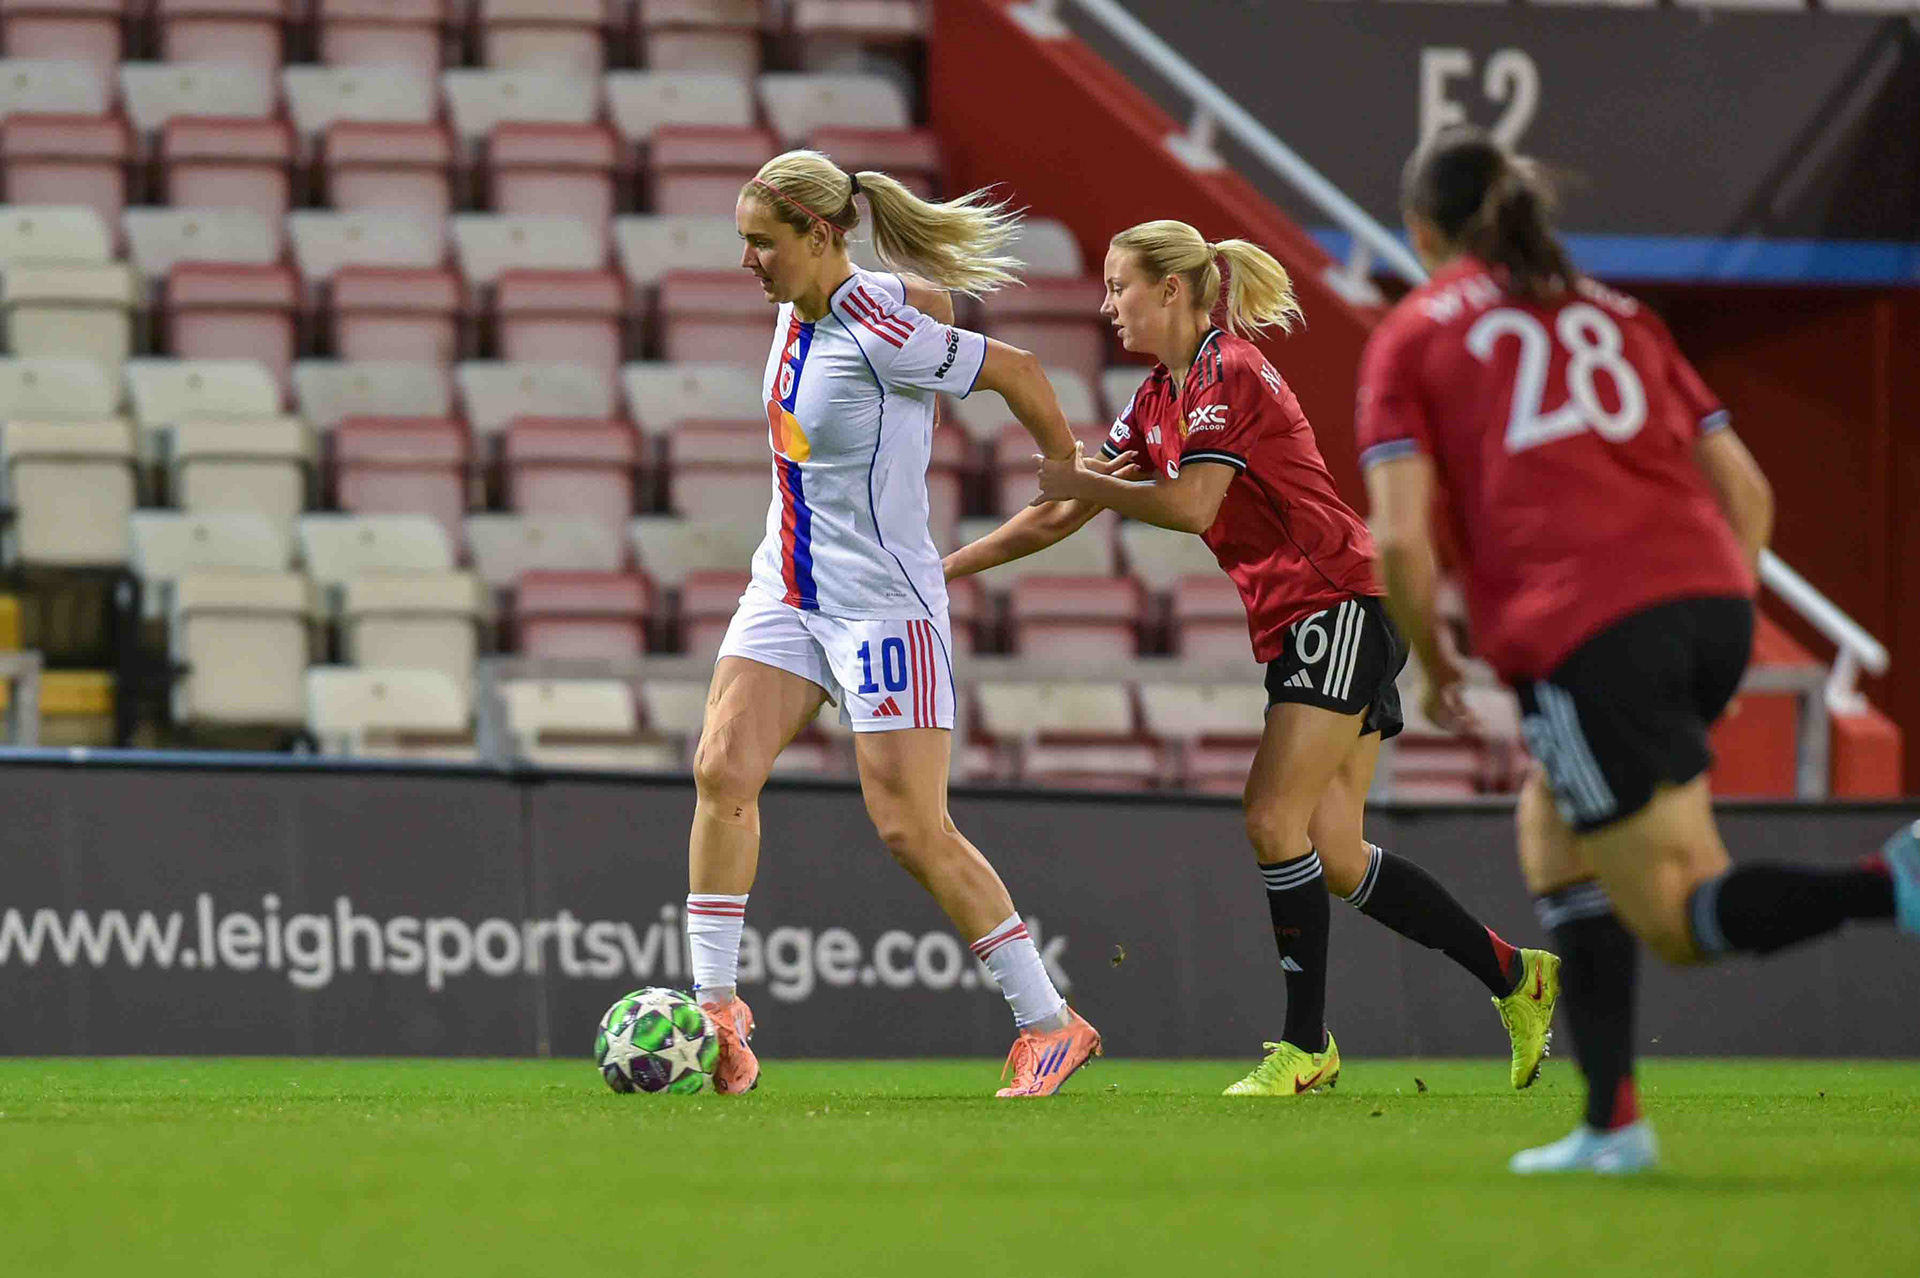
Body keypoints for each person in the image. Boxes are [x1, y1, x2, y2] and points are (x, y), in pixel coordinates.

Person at [1360, 125, 1920, 1173]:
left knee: (1676, 916)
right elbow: (1747, 491)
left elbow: (1397, 539)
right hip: (1711, 607)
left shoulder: (1415, 333)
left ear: (1421, 230)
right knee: (1552, 828)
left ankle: (1894, 883)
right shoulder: (1621, 315)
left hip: (1588, 627)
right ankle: (1610, 1124)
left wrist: (1434, 669)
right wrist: (1705, 620)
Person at [944, 218, 1559, 1098]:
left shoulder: (1227, 372)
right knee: (1335, 853)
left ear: (1169, 289)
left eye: (1119, 285)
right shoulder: (1157, 396)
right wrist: (944, 570)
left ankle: (1306, 1048)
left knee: (1272, 818)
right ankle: (1516, 975)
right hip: (1312, 617)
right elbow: (1060, 513)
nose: (1108, 303)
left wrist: (1089, 483)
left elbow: (1194, 504)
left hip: (1336, 604)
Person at [686, 150, 1102, 1098]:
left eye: (762, 243)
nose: (748, 261)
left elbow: (1018, 369)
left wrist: (1063, 471)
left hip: (882, 606)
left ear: (817, 235)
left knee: (911, 827)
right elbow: (923, 296)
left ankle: (1050, 1023)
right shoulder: (805, 304)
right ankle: (717, 1011)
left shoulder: (880, 333)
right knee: (721, 768)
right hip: (788, 589)